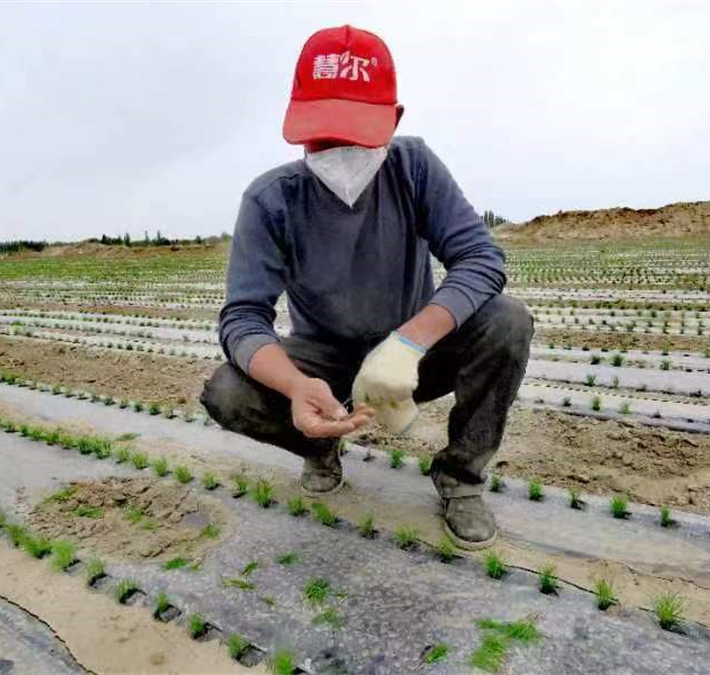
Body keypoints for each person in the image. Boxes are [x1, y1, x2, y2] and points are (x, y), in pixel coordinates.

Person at [201, 25, 533, 549]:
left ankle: (460, 477)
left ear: (393, 119)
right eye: (321, 133)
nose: (338, 151)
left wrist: (411, 341)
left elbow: (480, 258)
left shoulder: (413, 167)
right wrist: (294, 386)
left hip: (411, 357)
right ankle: (318, 445)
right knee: (227, 390)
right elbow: (243, 318)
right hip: (325, 362)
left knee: (508, 320)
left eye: (354, 133)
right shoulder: (272, 201)